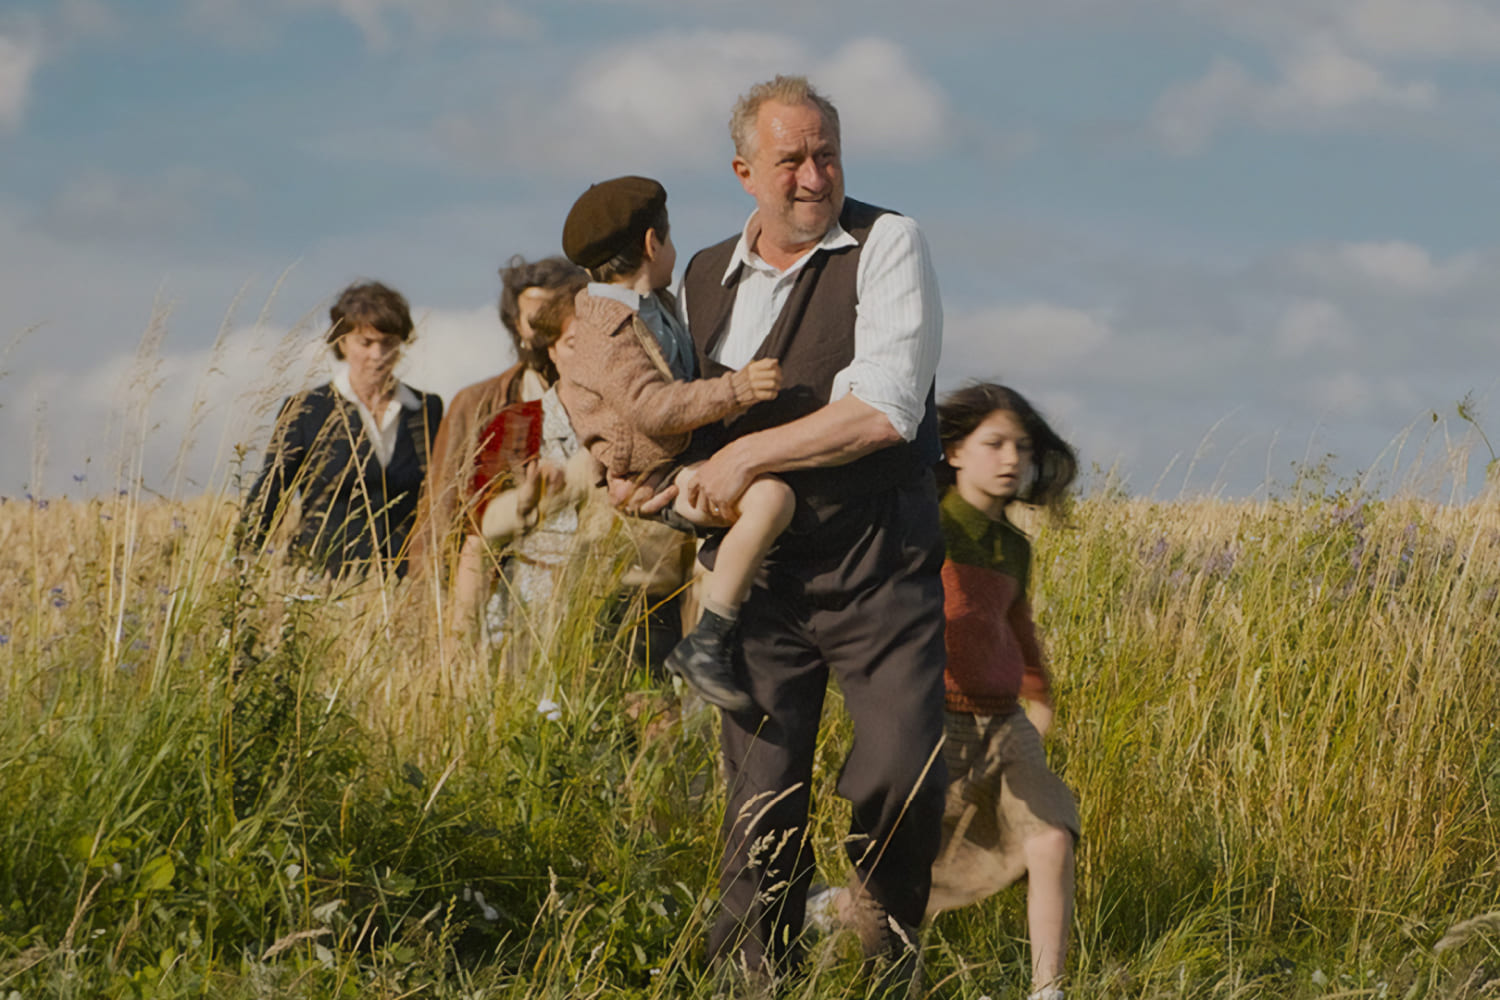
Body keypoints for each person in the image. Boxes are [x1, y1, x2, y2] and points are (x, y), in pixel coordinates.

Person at [629, 75, 947, 991]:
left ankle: (886, 958)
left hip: (877, 560)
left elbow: (884, 410)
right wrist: (658, 482)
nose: (814, 177)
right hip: (759, 580)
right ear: (743, 173)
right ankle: (749, 977)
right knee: (760, 797)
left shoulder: (888, 244)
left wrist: (745, 458)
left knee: (899, 771)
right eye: (791, 160)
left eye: (827, 154)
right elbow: (680, 419)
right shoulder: (700, 278)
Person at [809, 382, 1081, 1000]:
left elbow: (1017, 626)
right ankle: (832, 910)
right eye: (995, 444)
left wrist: (1040, 695)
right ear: (954, 452)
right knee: (913, 875)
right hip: (934, 724)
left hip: (1005, 724)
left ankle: (1048, 991)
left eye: (1021, 448)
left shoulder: (1014, 548)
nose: (1012, 459)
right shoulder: (924, 525)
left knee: (1051, 838)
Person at [555, 175, 794, 712]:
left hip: (680, 460)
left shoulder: (652, 305)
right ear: (651, 242)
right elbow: (651, 408)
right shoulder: (607, 331)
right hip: (660, 472)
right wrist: (737, 389)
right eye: (671, 238)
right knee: (771, 499)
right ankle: (708, 639)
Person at [409, 256, 585, 621]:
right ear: (516, 325)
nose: (543, 329)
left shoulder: (609, 404)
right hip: (500, 596)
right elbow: (439, 515)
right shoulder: (478, 405)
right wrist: (427, 612)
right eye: (535, 317)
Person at [242, 280, 443, 578]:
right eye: (366, 343)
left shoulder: (426, 409)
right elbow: (271, 491)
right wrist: (242, 563)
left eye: (388, 342)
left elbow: (442, 492)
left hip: (403, 581)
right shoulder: (306, 409)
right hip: (319, 579)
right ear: (342, 342)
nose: (378, 354)